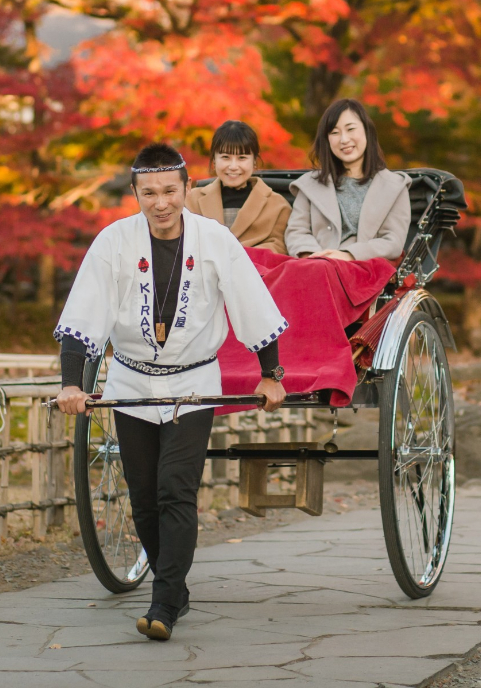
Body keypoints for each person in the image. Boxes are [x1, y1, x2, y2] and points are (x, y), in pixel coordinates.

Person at [53, 142, 288, 642]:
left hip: (193, 381)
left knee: (175, 490)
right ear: (135, 193)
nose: (160, 203)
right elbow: (83, 314)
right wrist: (72, 382)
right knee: (142, 497)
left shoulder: (214, 238)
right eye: (149, 193)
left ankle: (163, 602)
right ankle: (173, 586)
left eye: (169, 191)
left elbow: (251, 302)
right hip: (131, 378)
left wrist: (271, 373)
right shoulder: (113, 241)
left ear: (187, 188)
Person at [285, 99, 411, 262]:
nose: (344, 139)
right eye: (334, 133)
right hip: (315, 264)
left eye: (350, 129)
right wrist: (314, 257)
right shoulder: (309, 184)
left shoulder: (394, 186)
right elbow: (297, 231)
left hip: (364, 268)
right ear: (327, 140)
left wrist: (348, 255)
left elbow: (393, 242)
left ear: (367, 131)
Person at [184, 120, 290, 253]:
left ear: (254, 161)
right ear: (214, 160)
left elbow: (279, 246)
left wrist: (239, 256)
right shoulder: (191, 200)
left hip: (256, 265)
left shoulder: (277, 205)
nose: (233, 166)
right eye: (225, 157)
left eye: (242, 158)